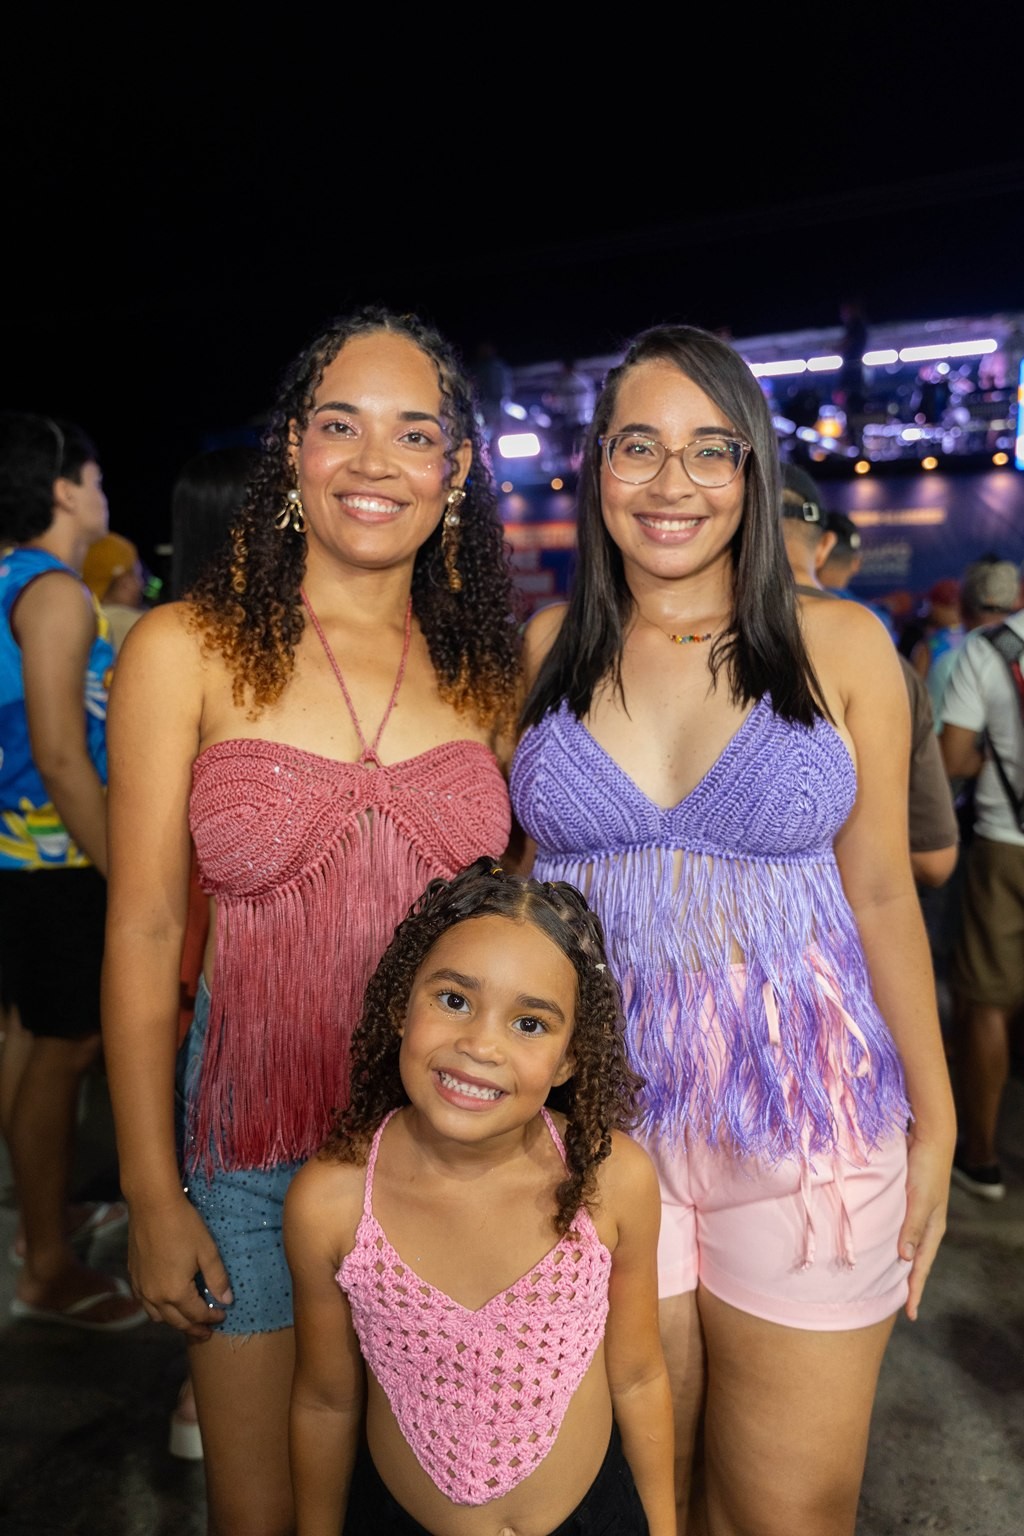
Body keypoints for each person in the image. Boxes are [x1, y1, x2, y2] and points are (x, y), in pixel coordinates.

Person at [508, 324, 956, 1535]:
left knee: (784, 1513)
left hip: (809, 1126)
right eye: (639, 447)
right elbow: (514, 894)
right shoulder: (547, 649)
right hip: (597, 1129)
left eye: (710, 450)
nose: (673, 483)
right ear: (597, 465)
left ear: (752, 471)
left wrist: (938, 1120)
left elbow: (881, 895)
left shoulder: (841, 643)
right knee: (632, 1500)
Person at [101, 307, 522, 1536]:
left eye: (414, 434)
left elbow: (522, 938)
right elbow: (142, 933)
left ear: (454, 470)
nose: (374, 461)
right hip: (248, 1153)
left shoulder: (488, 672)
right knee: (264, 1514)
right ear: (292, 448)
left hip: (446, 1157)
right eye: (341, 424)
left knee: (428, 1508)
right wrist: (150, 1191)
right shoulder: (183, 648)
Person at [285, 857, 674, 1536]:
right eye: (454, 1000)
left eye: (530, 1024)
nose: (481, 1045)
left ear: (570, 1058)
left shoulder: (612, 1179)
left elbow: (639, 1377)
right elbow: (325, 1402)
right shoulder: (332, 1202)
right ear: (402, 1006)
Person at [0, 412, 144, 1331]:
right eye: (93, 479)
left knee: (28, 1044)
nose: (101, 493)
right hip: (54, 858)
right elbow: (59, 754)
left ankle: (39, 1223)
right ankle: (48, 1268)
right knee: (65, 1054)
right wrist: (123, 870)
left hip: (18, 860)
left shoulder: (11, 576)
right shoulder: (53, 590)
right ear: (62, 489)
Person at [938, 564, 1024, 1202]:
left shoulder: (987, 650)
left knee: (987, 1001)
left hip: (1005, 844)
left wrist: (991, 755)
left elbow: (954, 758)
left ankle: (983, 1158)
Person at [81, 530, 147, 653]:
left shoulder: (78, 624)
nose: (141, 583)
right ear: (125, 583)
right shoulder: (143, 627)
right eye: (137, 574)